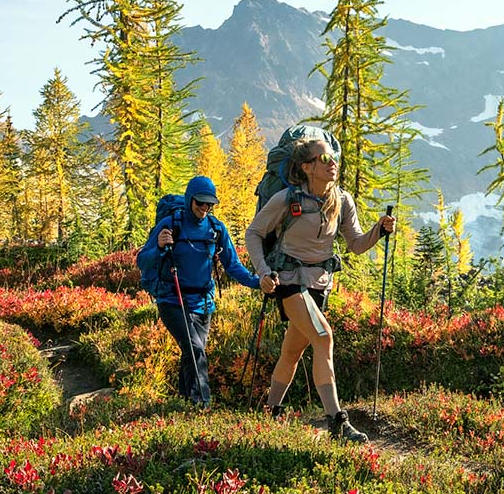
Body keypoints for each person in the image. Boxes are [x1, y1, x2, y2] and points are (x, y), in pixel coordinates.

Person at [245, 138, 395, 443]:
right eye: (323, 158)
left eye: (332, 158)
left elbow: (355, 244)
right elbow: (254, 233)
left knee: (292, 352)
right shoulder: (286, 200)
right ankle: (338, 422)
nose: (332, 163)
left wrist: (379, 229)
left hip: (319, 285)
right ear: (307, 167)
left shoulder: (342, 201)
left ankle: (270, 411)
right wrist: (263, 272)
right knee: (324, 337)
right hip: (287, 281)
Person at [137, 175, 261, 409]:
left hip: (203, 302)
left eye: (209, 204)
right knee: (195, 349)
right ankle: (202, 403)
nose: (204, 208)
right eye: (200, 202)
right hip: (172, 299)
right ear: (189, 199)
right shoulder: (170, 224)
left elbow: (232, 265)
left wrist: (257, 282)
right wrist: (160, 247)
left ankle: (182, 404)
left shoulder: (216, 229)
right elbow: (142, 261)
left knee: (193, 352)